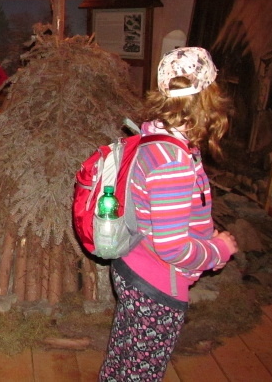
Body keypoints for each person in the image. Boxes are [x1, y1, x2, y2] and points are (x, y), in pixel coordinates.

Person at [99, 47, 239, 381]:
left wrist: (204, 236)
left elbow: (164, 216)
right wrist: (219, 249)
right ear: (207, 97)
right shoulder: (172, 161)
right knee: (141, 373)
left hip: (135, 268)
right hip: (157, 286)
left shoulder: (155, 138)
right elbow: (173, 247)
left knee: (122, 362)